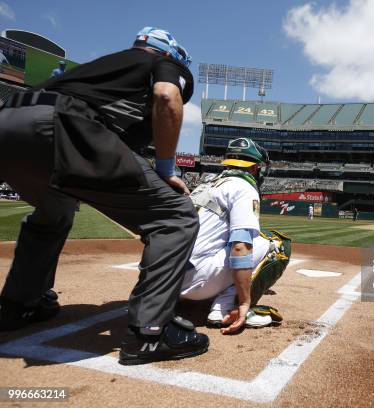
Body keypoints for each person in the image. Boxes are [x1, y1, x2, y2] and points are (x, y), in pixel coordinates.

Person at [0, 27, 209, 366]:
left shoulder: (102, 66)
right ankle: (150, 334)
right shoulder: (160, 63)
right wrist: (167, 168)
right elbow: (167, 96)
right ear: (167, 53)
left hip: (9, 122)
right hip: (62, 125)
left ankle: (19, 305)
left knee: (54, 211)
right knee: (176, 215)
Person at [180, 138, 290, 333]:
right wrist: (246, 301)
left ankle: (214, 305)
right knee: (274, 245)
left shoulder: (205, 183)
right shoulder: (244, 187)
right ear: (255, 168)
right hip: (196, 283)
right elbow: (240, 247)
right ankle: (228, 308)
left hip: (167, 280)